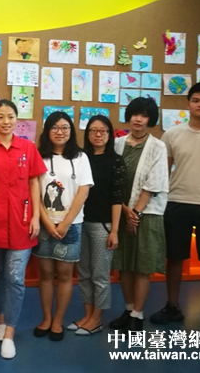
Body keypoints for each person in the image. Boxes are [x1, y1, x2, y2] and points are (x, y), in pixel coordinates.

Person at [154, 82, 200, 345]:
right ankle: (172, 306)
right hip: (177, 202)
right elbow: (162, 171)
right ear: (188, 104)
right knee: (174, 258)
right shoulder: (172, 134)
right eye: (196, 100)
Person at [0, 100, 46, 358]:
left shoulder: (28, 148)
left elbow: (34, 183)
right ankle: (0, 320)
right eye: (0, 116)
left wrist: (36, 217)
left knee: (15, 278)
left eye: (10, 116)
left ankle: (9, 332)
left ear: (16, 119)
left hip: (22, 223)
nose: (6, 121)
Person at [109, 97, 168, 332]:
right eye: (135, 114)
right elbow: (112, 181)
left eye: (144, 115)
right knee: (123, 264)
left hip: (148, 213)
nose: (138, 119)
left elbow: (154, 183)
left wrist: (135, 213)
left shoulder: (158, 147)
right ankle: (128, 309)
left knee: (142, 266)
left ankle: (138, 315)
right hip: (120, 213)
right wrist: (125, 210)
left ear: (150, 120)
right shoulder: (117, 144)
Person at [33, 112, 93, 341]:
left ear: (71, 131)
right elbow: (33, 191)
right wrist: (47, 222)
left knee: (66, 275)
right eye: (55, 127)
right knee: (46, 274)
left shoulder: (80, 157)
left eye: (65, 127)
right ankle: (46, 318)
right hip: (44, 224)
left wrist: (66, 223)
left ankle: (58, 320)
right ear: (47, 131)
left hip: (71, 226)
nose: (60, 132)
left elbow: (83, 191)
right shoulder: (38, 156)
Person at [71, 115, 125, 336]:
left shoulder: (116, 161)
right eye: (93, 130)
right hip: (80, 222)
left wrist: (114, 230)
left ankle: (97, 319)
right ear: (87, 134)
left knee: (100, 275)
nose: (98, 134)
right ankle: (87, 314)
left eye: (103, 131)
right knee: (83, 273)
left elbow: (117, 198)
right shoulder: (80, 158)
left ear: (110, 134)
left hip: (103, 225)